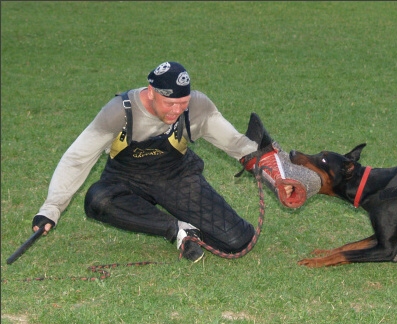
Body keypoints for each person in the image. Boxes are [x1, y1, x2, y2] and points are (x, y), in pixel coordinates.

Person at [31, 61, 321, 262]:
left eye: (182, 104)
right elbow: (77, 158)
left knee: (238, 240)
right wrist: (51, 209)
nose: (176, 111)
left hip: (177, 177)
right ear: (150, 92)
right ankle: (176, 229)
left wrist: (275, 176)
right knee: (98, 200)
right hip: (126, 179)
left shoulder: (197, 107)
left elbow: (238, 146)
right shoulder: (119, 111)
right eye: (170, 104)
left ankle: (186, 224)